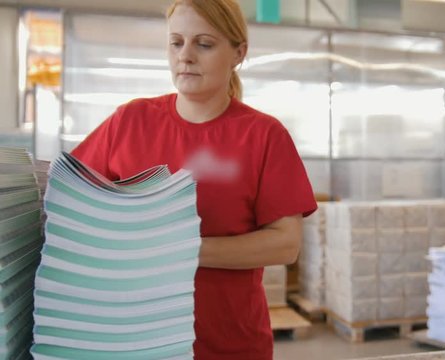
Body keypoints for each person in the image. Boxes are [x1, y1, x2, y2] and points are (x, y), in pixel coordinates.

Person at [70, 0, 318, 359]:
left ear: (238, 53)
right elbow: (72, 199)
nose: (185, 56)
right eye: (176, 43)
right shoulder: (130, 121)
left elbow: (285, 244)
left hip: (229, 341)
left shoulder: (263, 135)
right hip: (133, 337)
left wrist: (178, 250)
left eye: (203, 44)